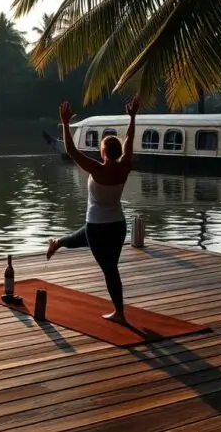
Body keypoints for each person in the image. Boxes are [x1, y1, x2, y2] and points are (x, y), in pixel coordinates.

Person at [46, 96, 139, 324]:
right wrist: (132, 117)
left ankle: (120, 313)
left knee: (109, 268)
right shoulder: (126, 165)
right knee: (90, 246)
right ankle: (57, 243)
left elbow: (71, 151)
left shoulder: (97, 169)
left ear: (104, 152)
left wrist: (65, 124)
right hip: (118, 225)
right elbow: (129, 139)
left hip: (97, 227)